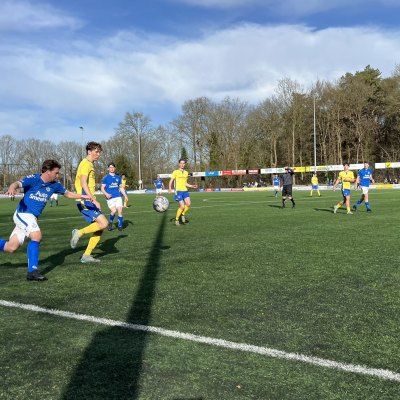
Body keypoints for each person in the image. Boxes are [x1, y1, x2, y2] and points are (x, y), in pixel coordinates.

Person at [0, 160, 91, 281]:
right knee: (36, 236)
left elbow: (68, 194)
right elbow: (17, 183)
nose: (58, 175)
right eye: (56, 173)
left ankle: (31, 270)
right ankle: (32, 271)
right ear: (48, 171)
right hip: (23, 213)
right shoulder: (34, 178)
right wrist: (12, 187)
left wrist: (82, 196)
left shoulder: (55, 185)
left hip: (32, 218)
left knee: (11, 247)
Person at [70, 142, 109, 263]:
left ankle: (86, 255)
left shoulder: (89, 164)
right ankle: (79, 232)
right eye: (96, 151)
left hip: (88, 200)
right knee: (104, 223)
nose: (98, 154)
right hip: (85, 200)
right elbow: (83, 183)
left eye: (99, 152)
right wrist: (93, 199)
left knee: (99, 229)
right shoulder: (86, 163)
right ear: (89, 151)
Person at [168, 159, 198, 226]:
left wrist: (192, 186)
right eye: (181, 163)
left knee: (188, 204)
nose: (182, 164)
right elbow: (171, 180)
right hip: (178, 191)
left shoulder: (186, 173)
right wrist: (170, 188)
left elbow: (185, 183)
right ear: (179, 164)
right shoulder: (175, 172)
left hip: (185, 191)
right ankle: (176, 219)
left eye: (183, 163)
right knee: (182, 206)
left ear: (185, 164)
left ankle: (182, 214)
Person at [101, 163, 128, 231]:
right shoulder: (105, 178)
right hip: (110, 197)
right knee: (114, 211)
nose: (112, 168)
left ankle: (120, 226)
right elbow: (102, 188)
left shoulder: (118, 177)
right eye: (110, 167)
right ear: (108, 169)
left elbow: (121, 188)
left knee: (120, 211)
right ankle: (110, 222)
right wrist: (106, 194)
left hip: (118, 196)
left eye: (113, 167)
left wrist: (125, 195)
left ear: (115, 168)